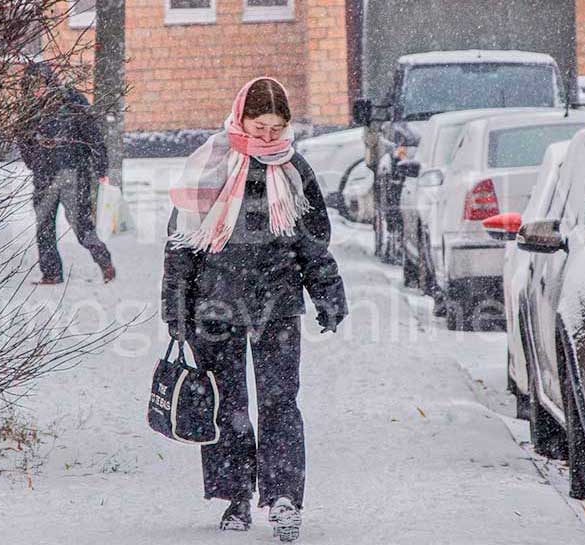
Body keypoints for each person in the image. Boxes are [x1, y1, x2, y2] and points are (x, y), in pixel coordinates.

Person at [160, 77, 348, 542]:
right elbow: (180, 244)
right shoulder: (211, 164)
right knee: (229, 406)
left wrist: (327, 291)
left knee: (280, 402)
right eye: (259, 126)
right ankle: (236, 498)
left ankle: (284, 498)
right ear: (240, 117)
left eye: (276, 128)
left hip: (277, 303)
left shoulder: (294, 169)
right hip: (216, 303)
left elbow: (313, 241)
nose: (267, 137)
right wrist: (176, 307)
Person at [18, 62, 115, 284]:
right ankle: (51, 273)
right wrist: (34, 162)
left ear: (49, 82)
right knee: (44, 225)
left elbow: (93, 135)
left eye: (40, 84)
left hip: (74, 172)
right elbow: (23, 139)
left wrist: (100, 166)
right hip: (44, 175)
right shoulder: (29, 110)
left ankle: (104, 260)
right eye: (31, 86)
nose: (36, 90)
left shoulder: (71, 101)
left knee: (80, 225)